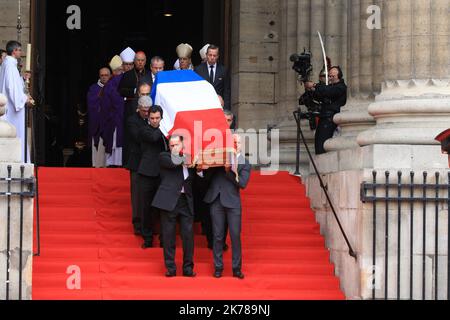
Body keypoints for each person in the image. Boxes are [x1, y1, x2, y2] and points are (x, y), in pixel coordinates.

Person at [203, 134, 251, 279]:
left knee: (235, 236)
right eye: (233, 142)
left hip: (233, 203)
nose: (235, 145)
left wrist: (228, 171)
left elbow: (242, 183)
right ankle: (218, 267)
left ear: (242, 145)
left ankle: (236, 269)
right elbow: (206, 176)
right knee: (217, 236)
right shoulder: (219, 157)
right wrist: (202, 168)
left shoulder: (245, 162)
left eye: (237, 142)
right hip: (216, 201)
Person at [152, 135, 196, 278]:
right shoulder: (164, 156)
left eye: (177, 145)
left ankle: (188, 268)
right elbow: (173, 162)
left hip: (185, 201)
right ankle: (170, 268)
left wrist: (200, 168)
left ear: (182, 145)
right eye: (172, 145)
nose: (174, 147)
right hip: (169, 201)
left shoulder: (189, 159)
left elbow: (196, 179)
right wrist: (190, 159)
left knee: (188, 237)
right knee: (169, 236)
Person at [137, 104, 168, 248]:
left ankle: (163, 240)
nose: (155, 121)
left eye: (157, 118)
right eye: (152, 118)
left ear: (161, 117)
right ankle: (147, 239)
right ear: (148, 118)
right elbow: (154, 137)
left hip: (162, 174)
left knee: (163, 208)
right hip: (146, 174)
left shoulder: (166, 131)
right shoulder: (144, 129)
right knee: (145, 208)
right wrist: (165, 126)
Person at [0, 41, 34, 163]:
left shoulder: (8, 64)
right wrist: (24, 99)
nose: (21, 52)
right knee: (18, 134)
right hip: (14, 109)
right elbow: (11, 87)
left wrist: (22, 79)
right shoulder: (9, 65)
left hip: (10, 106)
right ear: (14, 51)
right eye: (19, 50)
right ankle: (21, 162)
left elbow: (13, 83)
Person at [304, 66, 347, 155]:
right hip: (324, 118)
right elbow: (320, 94)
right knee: (319, 143)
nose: (330, 78)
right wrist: (311, 89)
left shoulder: (341, 87)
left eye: (332, 76)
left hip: (331, 119)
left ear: (338, 76)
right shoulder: (329, 87)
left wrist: (314, 85)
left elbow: (329, 91)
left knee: (323, 144)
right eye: (329, 76)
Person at [126, 93, 152, 235]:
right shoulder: (132, 120)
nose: (147, 113)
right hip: (137, 163)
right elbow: (137, 137)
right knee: (137, 195)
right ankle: (137, 223)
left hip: (151, 163)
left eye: (149, 110)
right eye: (144, 110)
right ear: (139, 108)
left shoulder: (154, 119)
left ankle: (150, 224)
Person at [119, 50, 149, 167]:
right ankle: (128, 163)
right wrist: (134, 91)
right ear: (134, 61)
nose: (140, 63)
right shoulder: (127, 74)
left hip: (146, 110)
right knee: (130, 136)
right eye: (138, 60)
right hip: (131, 109)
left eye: (142, 60)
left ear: (145, 61)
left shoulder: (147, 75)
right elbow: (120, 90)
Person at [101, 55, 124, 167]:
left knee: (113, 143)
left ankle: (113, 164)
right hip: (122, 119)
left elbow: (105, 107)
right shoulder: (126, 80)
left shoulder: (109, 85)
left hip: (113, 120)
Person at [194, 45, 231, 110]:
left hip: (219, 106)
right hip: (203, 105)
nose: (212, 57)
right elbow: (195, 90)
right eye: (210, 55)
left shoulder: (223, 70)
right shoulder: (198, 70)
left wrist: (226, 109)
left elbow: (226, 91)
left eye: (214, 55)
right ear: (206, 55)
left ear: (218, 56)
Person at [87, 67, 111, 168]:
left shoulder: (113, 87)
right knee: (98, 150)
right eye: (102, 75)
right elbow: (91, 105)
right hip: (97, 123)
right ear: (99, 76)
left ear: (110, 76)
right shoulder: (93, 89)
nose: (104, 77)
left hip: (109, 123)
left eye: (106, 75)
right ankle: (97, 167)